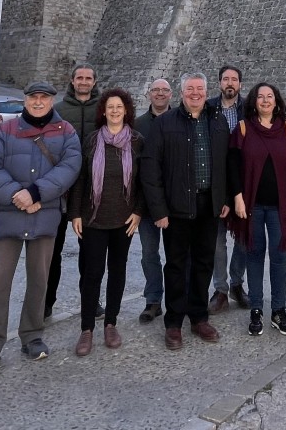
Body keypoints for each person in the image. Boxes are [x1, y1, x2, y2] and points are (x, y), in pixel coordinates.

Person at [0, 81, 81, 375]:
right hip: (9, 215)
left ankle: (32, 336)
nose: (38, 102)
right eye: (33, 97)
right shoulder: (5, 130)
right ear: (25, 100)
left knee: (39, 280)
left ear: (51, 101)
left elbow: (70, 167)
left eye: (43, 98)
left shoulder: (66, 132)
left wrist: (35, 193)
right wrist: (16, 195)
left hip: (44, 216)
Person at [141, 71, 230, 350]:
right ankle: (174, 323)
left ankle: (199, 317)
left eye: (199, 89)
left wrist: (224, 198)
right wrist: (158, 210)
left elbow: (227, 163)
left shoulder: (217, 122)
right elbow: (150, 168)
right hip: (176, 208)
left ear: (206, 92)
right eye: (190, 89)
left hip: (208, 206)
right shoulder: (165, 123)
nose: (195, 93)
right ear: (182, 93)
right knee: (177, 266)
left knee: (204, 263)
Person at [70, 88, 144, 356]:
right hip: (93, 219)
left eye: (119, 107)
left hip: (124, 220)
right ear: (103, 111)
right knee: (92, 274)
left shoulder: (137, 141)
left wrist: (138, 212)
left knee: (117, 272)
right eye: (110, 107)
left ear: (126, 111)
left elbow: (142, 182)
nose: (114, 111)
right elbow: (80, 179)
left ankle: (111, 323)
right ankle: (86, 328)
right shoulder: (91, 140)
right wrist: (75, 213)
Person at [229, 83, 286, 336]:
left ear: (276, 100)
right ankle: (257, 309)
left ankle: (279, 310)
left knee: (280, 256)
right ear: (254, 101)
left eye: (269, 96)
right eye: (260, 96)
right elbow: (233, 165)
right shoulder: (244, 128)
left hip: (281, 206)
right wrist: (237, 197)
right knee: (254, 255)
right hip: (253, 206)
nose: (265, 100)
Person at [47, 63, 101, 319]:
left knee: (90, 254)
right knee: (51, 251)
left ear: (94, 81)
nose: (84, 81)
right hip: (61, 189)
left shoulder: (102, 109)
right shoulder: (58, 111)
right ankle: (46, 302)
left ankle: (91, 302)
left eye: (88, 78)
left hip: (91, 190)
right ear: (72, 80)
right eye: (80, 77)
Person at [207, 64, 247, 312]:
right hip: (216, 182)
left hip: (243, 181)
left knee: (243, 237)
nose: (229, 83)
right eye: (225, 79)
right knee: (217, 241)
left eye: (234, 79)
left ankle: (236, 282)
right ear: (220, 83)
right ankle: (220, 289)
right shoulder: (209, 108)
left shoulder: (249, 109)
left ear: (240, 84)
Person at [135, 78, 172, 323]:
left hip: (174, 202)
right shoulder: (137, 125)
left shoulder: (180, 119)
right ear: (149, 94)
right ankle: (153, 300)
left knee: (177, 255)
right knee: (149, 254)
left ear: (171, 94)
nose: (159, 94)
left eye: (164, 90)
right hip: (146, 203)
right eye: (155, 90)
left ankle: (178, 300)